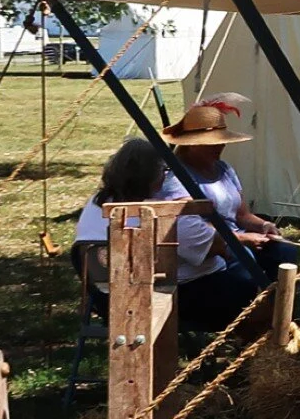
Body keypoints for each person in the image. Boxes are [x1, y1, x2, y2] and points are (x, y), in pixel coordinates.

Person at [68, 136, 261, 331]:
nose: (166, 175)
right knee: (249, 293)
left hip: (105, 299)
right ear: (151, 175)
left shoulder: (96, 202)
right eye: (164, 171)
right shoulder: (154, 212)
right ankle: (258, 353)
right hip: (151, 298)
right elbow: (212, 246)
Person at [161, 94, 300, 280]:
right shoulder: (176, 178)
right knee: (244, 261)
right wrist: (240, 239)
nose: (219, 147)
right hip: (211, 245)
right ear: (192, 144)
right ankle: (254, 303)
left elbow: (242, 215)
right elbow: (192, 228)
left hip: (237, 238)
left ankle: (276, 302)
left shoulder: (224, 169)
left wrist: (264, 225)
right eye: (211, 143)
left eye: (221, 141)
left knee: (284, 251)